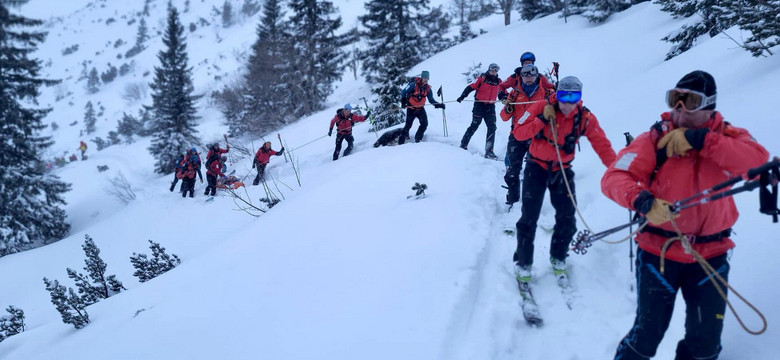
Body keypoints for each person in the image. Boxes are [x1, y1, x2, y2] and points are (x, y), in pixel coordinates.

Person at [601, 70, 769, 360]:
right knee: (646, 337)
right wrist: (641, 200)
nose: (678, 109)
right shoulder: (655, 139)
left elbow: (756, 159)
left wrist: (702, 140)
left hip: (711, 255)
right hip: (659, 253)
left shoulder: (727, 137)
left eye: (688, 101)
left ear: (709, 105)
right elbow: (614, 177)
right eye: (674, 99)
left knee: (704, 345)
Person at [510, 76, 616, 286]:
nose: (568, 102)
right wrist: (541, 120)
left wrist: (618, 171)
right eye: (563, 95)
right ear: (556, 94)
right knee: (528, 218)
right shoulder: (541, 106)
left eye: (574, 96)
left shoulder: (584, 117)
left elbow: (602, 145)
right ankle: (523, 261)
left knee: (568, 218)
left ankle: (558, 255)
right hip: (536, 167)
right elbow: (518, 133)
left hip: (562, 171)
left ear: (580, 97)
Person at [499, 64, 550, 204]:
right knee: (512, 171)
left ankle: (532, 200)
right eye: (525, 76)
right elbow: (503, 117)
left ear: (536, 76)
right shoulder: (514, 93)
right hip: (517, 136)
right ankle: (513, 199)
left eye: (531, 76)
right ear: (521, 77)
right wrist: (508, 109)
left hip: (537, 136)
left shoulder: (545, 93)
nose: (528, 79)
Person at [456, 63, 502, 159]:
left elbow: (503, 92)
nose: (493, 72)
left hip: (490, 107)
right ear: (489, 70)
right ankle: (463, 144)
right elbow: (471, 87)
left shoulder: (498, 81)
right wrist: (462, 96)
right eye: (492, 70)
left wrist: (505, 98)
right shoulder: (482, 78)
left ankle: (489, 151)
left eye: (495, 71)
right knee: (475, 124)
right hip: (479, 105)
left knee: (492, 127)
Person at [399, 71, 445, 144]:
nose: (426, 80)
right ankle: (401, 141)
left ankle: (418, 139)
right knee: (408, 125)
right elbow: (403, 92)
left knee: (424, 124)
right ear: (422, 77)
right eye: (424, 78)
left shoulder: (428, 89)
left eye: (427, 78)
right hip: (411, 108)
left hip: (420, 109)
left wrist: (438, 105)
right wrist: (403, 102)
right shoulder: (412, 85)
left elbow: (431, 99)